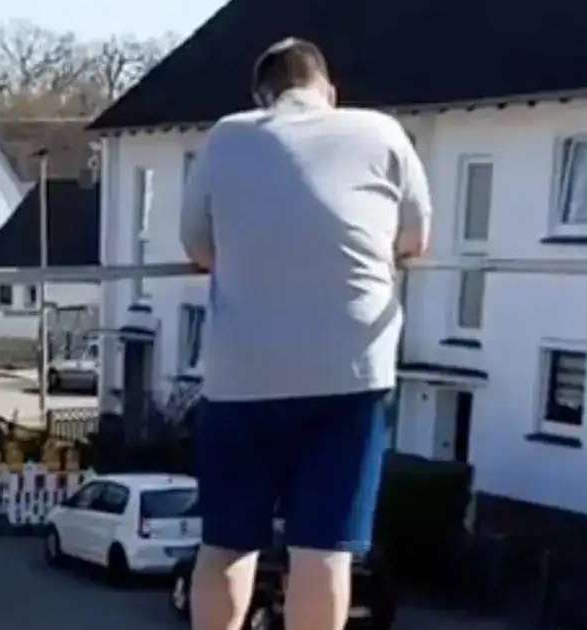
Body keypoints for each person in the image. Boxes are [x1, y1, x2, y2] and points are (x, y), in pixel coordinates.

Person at [179, 38, 431, 630]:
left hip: (242, 374)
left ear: (262, 98)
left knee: (226, 542)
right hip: (351, 371)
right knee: (323, 550)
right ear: (329, 93)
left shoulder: (227, 136)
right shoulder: (382, 132)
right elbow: (416, 240)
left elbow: (198, 247)